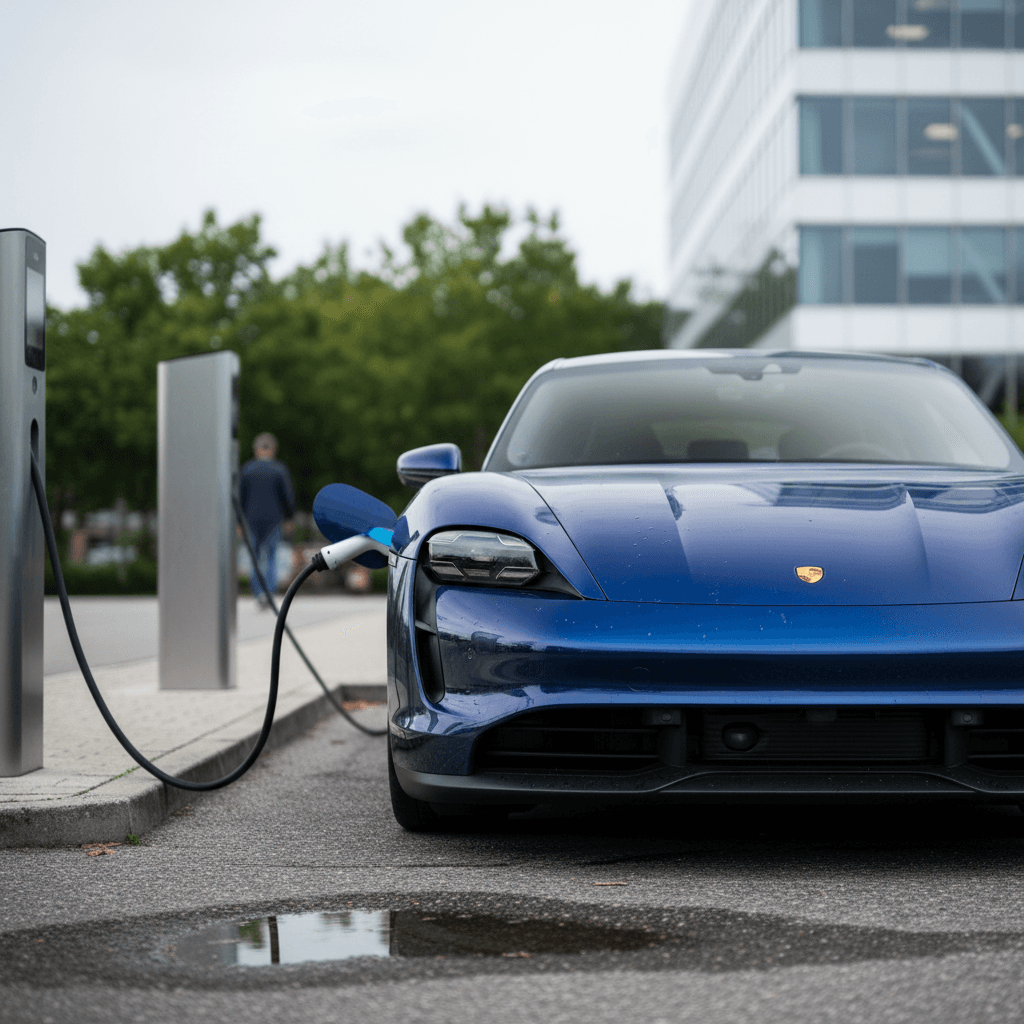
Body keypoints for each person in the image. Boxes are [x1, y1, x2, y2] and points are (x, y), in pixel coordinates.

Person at [238, 433, 296, 608]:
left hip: (251, 519)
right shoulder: (279, 470)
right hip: (273, 519)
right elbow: (287, 496)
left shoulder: (247, 469)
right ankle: (269, 592)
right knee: (271, 557)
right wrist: (289, 518)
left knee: (254, 557)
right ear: (273, 450)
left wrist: (239, 522)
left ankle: (258, 592)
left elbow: (240, 497)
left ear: (256, 449)